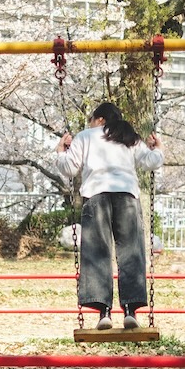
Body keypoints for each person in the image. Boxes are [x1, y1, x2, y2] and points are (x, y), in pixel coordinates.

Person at [54, 102, 164, 330]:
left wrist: (60, 152)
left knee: (97, 252)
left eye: (93, 120)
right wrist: (158, 148)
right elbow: (151, 162)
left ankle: (103, 312)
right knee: (131, 251)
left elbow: (69, 168)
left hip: (96, 195)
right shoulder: (128, 136)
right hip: (127, 196)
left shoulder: (85, 136)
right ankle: (130, 310)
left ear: (100, 119)